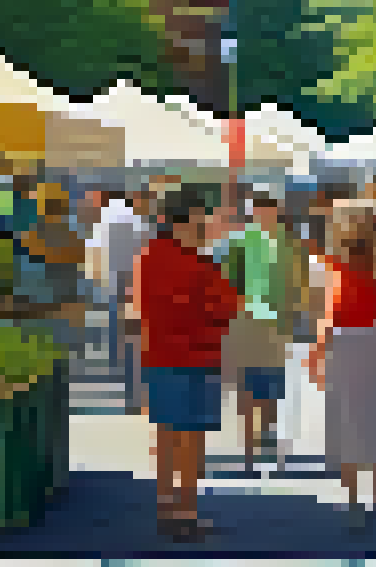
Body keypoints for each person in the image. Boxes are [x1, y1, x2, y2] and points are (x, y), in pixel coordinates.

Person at [132, 182, 240, 541]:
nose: (207, 226)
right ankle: (188, 513)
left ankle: (166, 505)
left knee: (166, 432)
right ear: (185, 221)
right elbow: (225, 307)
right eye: (202, 220)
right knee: (192, 437)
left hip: (160, 357)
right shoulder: (198, 263)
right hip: (197, 358)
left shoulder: (148, 257)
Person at [313, 201, 376, 528]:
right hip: (371, 339)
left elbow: (327, 315)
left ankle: (358, 502)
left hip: (353, 340)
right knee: (374, 418)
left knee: (352, 418)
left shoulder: (341, 267)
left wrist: (317, 353)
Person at [220, 193, 301, 474]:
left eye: (268, 211)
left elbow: (297, 285)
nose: (264, 216)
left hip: (274, 326)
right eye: (260, 211)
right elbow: (228, 284)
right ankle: (250, 447)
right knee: (248, 387)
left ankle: (262, 438)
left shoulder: (288, 245)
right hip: (248, 324)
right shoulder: (241, 243)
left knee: (269, 388)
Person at [90, 189, 151, 413]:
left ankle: (128, 388)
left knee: (121, 334)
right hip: (136, 281)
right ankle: (136, 394)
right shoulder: (136, 219)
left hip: (115, 281)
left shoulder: (107, 216)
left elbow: (96, 249)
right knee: (136, 338)